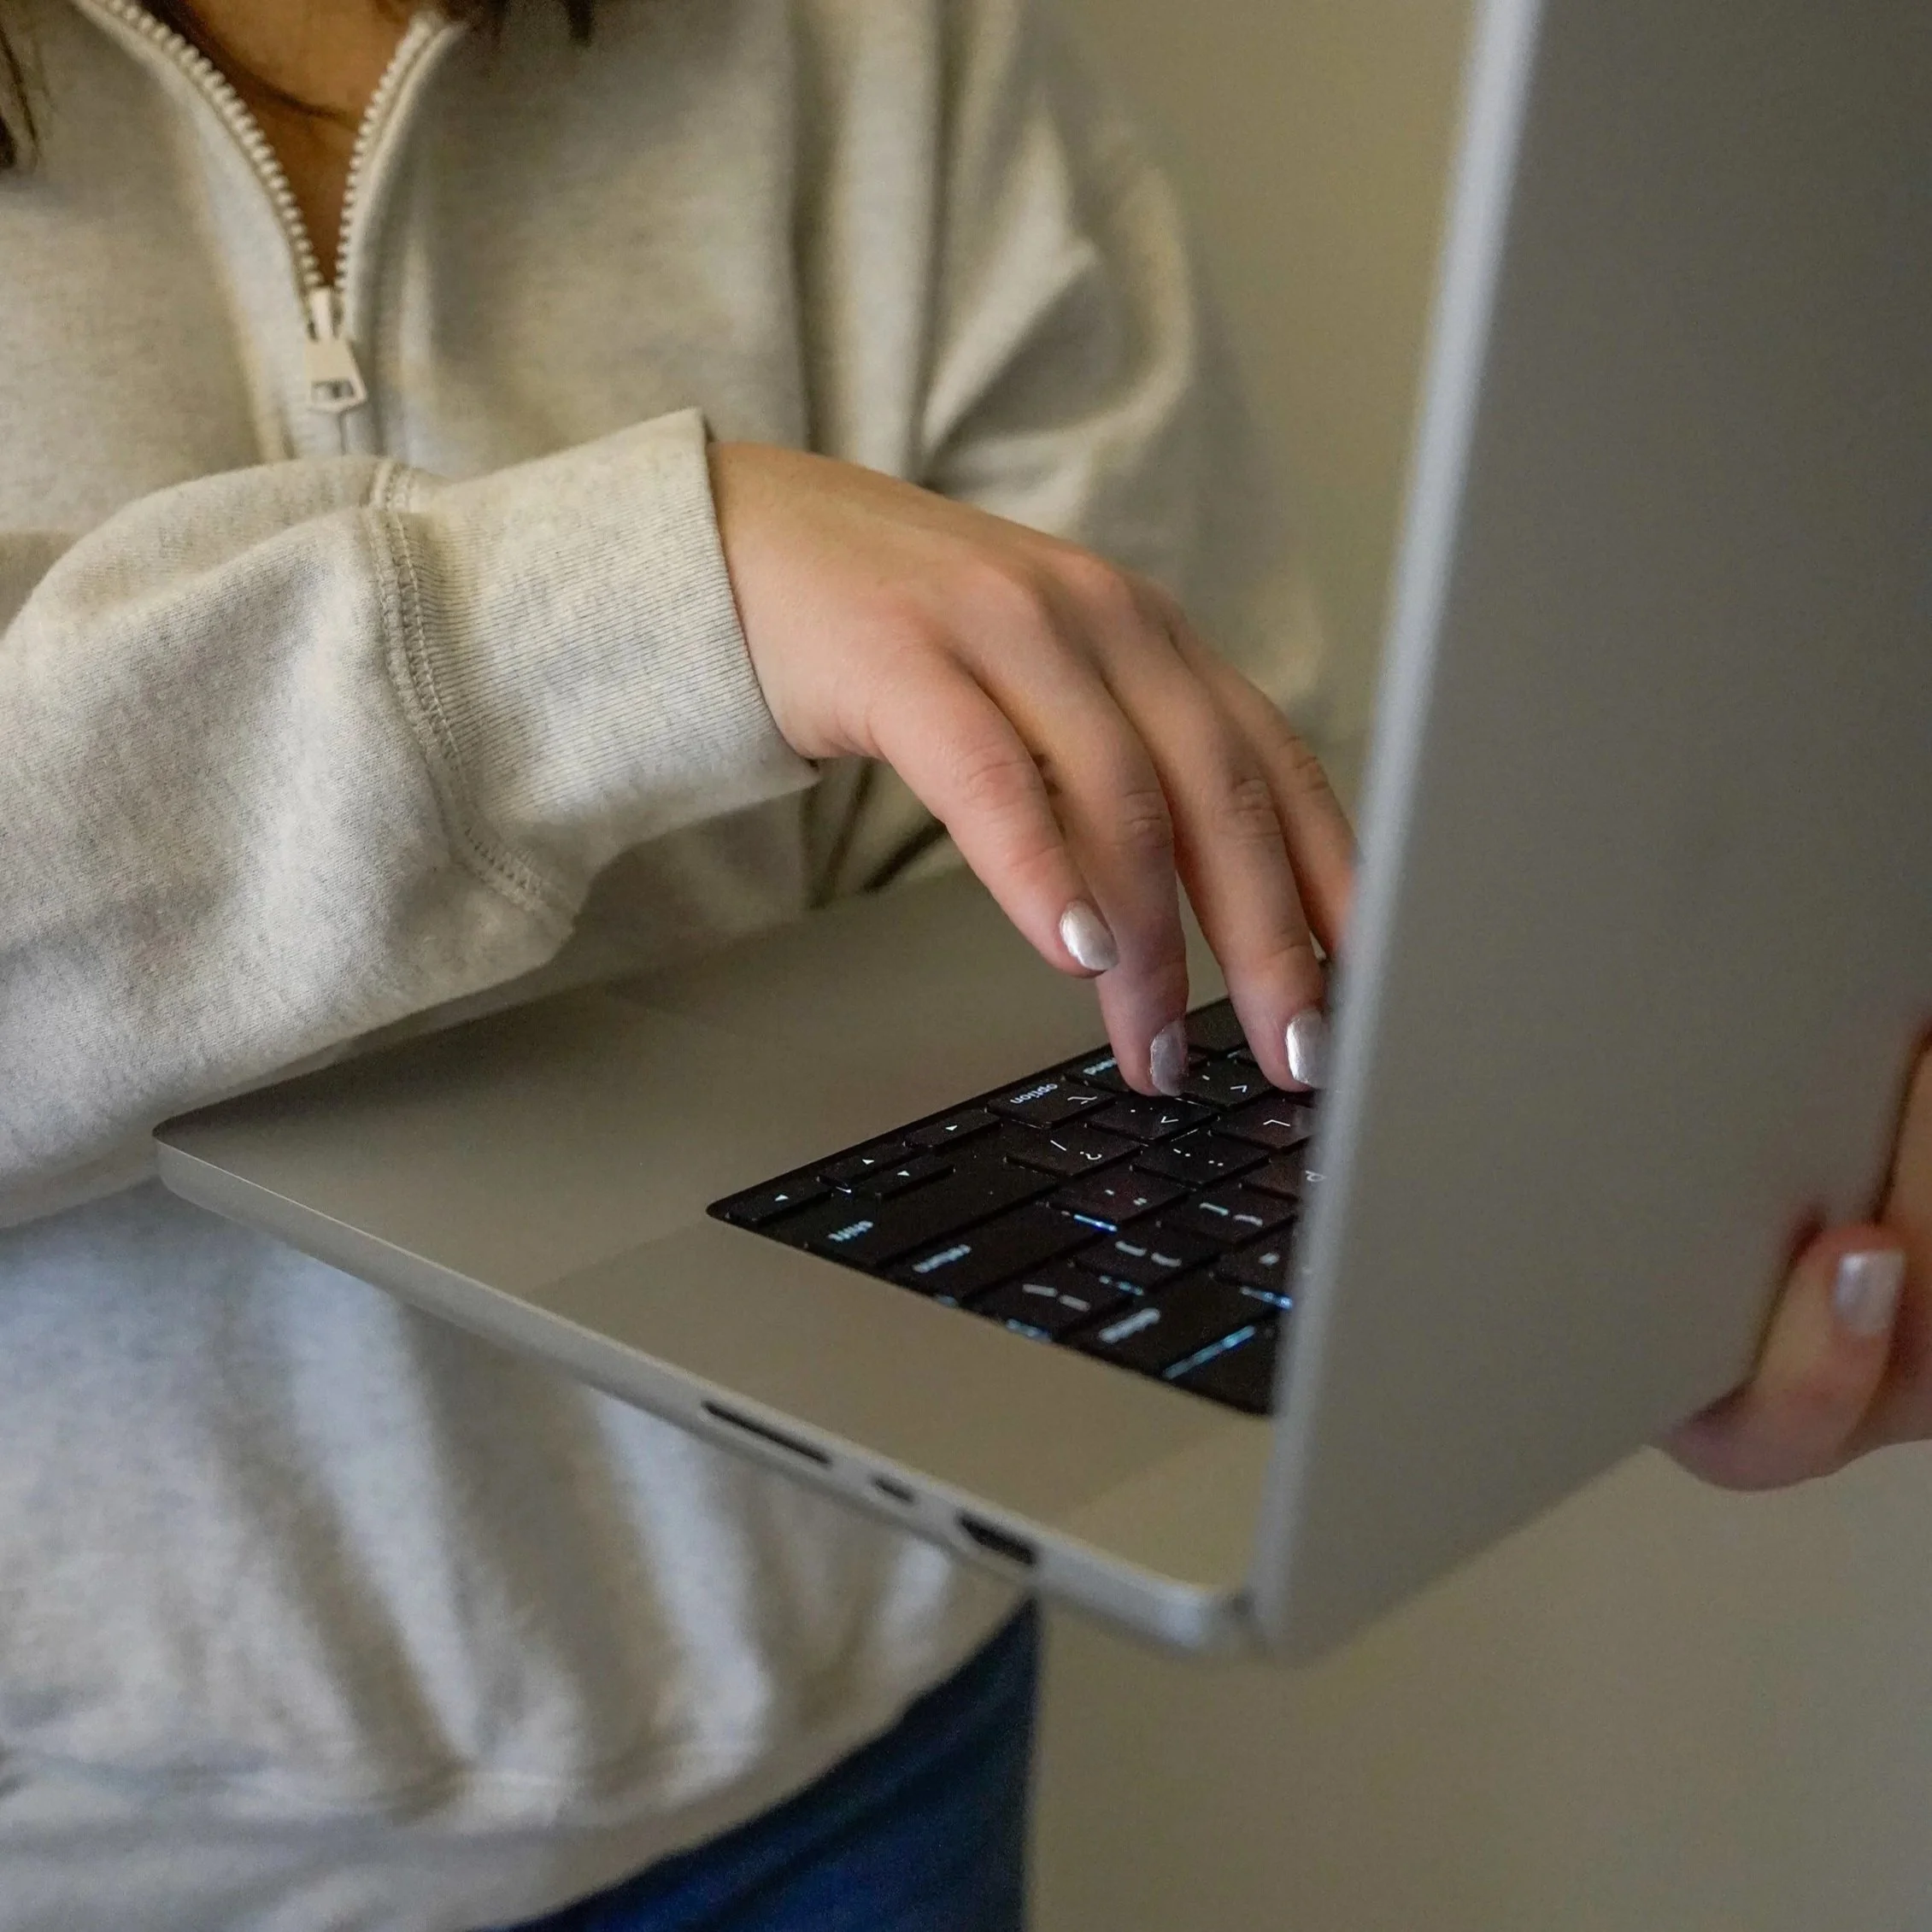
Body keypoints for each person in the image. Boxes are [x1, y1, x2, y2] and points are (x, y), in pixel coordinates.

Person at [0, 0, 1923, 1926]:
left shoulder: (888, 42)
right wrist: (641, 599)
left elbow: (1177, 848)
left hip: (871, 1741)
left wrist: (1610, 1232)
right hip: (122, 1841)